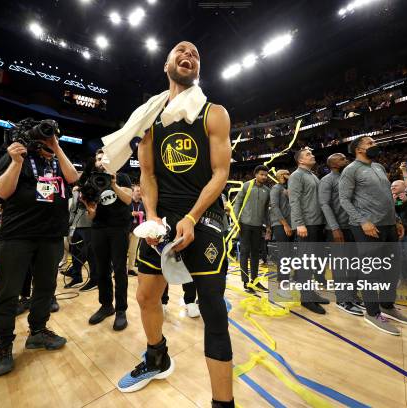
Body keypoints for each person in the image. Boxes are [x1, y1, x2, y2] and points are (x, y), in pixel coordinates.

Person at [119, 41, 234, 407]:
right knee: (145, 296)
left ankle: (223, 402)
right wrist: (152, 217)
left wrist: (192, 216)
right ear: (166, 64)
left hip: (204, 216)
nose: (188, 55)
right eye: (180, 51)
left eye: (196, 54)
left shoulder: (214, 113)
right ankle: (157, 356)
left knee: (213, 309)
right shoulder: (150, 117)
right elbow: (148, 173)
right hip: (164, 218)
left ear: (198, 69)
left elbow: (221, 172)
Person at [0, 130, 79, 378]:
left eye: (53, 136)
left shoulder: (57, 160)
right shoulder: (17, 155)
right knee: (7, 292)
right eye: (45, 136)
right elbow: (1, 192)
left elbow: (73, 178)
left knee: (46, 288)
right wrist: (16, 162)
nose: (48, 140)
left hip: (51, 235)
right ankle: (3, 344)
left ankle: (38, 331)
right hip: (17, 234)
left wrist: (57, 148)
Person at [339, 136, 407, 335]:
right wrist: (363, 221)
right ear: (358, 149)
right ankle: (372, 313)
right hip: (367, 226)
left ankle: (387, 306)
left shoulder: (379, 167)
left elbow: (387, 198)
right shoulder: (351, 170)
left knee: (393, 267)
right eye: (370, 143)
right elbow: (344, 200)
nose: (375, 146)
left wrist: (396, 220)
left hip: (389, 224)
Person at [81, 149, 133, 330]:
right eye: (98, 159)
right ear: (94, 162)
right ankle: (106, 306)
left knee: (119, 270)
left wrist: (114, 184)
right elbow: (92, 215)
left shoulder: (122, 177)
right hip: (99, 229)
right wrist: (90, 208)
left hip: (119, 229)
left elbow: (128, 200)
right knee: (101, 269)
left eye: (105, 159)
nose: (101, 162)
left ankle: (121, 310)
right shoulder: (91, 181)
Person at [319, 153, 363, 316]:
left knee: (353, 265)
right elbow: (324, 204)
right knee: (340, 266)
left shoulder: (350, 177)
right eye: (342, 159)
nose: (347, 160)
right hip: (337, 229)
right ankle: (342, 299)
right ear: (334, 164)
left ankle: (352, 295)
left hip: (354, 226)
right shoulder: (327, 180)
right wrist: (334, 227)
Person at [288, 148, 328, 314]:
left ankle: (310, 292)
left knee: (312, 263)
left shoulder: (312, 175)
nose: (312, 155)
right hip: (307, 224)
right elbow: (294, 200)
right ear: (300, 161)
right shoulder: (296, 175)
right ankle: (306, 298)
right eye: (307, 154)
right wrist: (299, 223)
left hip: (317, 223)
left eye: (312, 153)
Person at [232, 165, 271, 293]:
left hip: (258, 225)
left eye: (265, 175)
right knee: (244, 252)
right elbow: (237, 202)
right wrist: (236, 221)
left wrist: (268, 226)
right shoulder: (246, 186)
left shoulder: (267, 190)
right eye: (261, 174)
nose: (264, 177)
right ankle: (245, 282)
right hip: (244, 224)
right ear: (256, 174)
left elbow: (266, 211)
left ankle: (254, 280)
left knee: (255, 253)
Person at [64, 185, 97, 289]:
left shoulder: (93, 190)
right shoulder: (76, 192)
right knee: (75, 253)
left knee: (90, 255)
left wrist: (85, 201)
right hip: (75, 226)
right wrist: (75, 195)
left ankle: (94, 279)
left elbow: (94, 208)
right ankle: (76, 276)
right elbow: (72, 209)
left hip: (89, 226)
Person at [269, 169, 292, 243]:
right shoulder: (276, 188)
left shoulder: (286, 188)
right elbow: (274, 207)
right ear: (282, 176)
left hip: (289, 223)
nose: (290, 176)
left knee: (290, 251)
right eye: (287, 174)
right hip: (280, 224)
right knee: (284, 250)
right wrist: (285, 225)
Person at [128, 185, 145, 276]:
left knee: (133, 251)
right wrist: (132, 213)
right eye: (137, 191)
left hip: (136, 230)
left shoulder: (142, 204)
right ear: (132, 192)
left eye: (140, 191)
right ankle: (120, 270)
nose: (139, 192)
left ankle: (130, 269)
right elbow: (122, 213)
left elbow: (144, 215)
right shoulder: (127, 202)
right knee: (123, 251)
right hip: (126, 230)